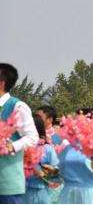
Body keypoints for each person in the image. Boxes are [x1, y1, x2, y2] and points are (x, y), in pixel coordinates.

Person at [0, 63, 40, 204]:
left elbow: (32, 137)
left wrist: (9, 147)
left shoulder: (17, 106)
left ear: (1, 83)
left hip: (6, 182)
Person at [22, 113, 59, 204]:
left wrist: (44, 175)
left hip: (39, 191)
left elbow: (58, 174)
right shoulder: (19, 147)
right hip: (20, 190)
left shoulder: (48, 149)